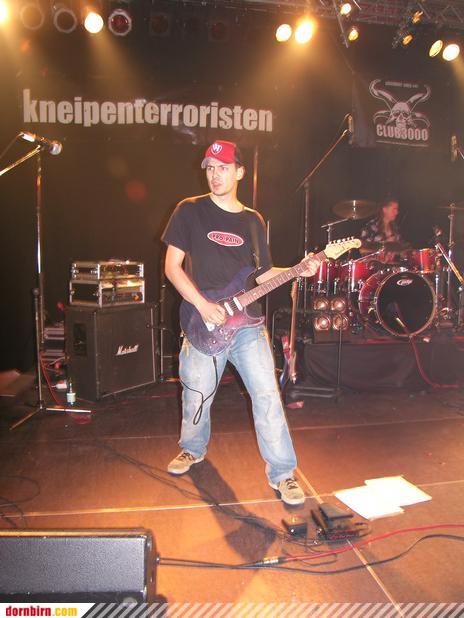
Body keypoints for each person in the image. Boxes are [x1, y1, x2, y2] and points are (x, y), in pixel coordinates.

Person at [161, 139, 320, 506]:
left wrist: (299, 269)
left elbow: (262, 275)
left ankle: (283, 473)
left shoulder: (253, 220)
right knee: (196, 395)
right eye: (210, 168)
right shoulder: (189, 210)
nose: (215, 175)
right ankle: (192, 449)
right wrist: (202, 305)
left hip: (247, 325)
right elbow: (171, 267)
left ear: (240, 172)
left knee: (267, 396)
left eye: (223, 168)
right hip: (202, 320)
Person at [360, 198, 408, 262]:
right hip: (375, 265)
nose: (397, 212)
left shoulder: (395, 229)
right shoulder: (371, 227)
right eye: (394, 209)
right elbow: (362, 250)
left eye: (397, 209)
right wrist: (384, 247)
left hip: (392, 265)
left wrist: (404, 253)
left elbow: (402, 248)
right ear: (385, 209)